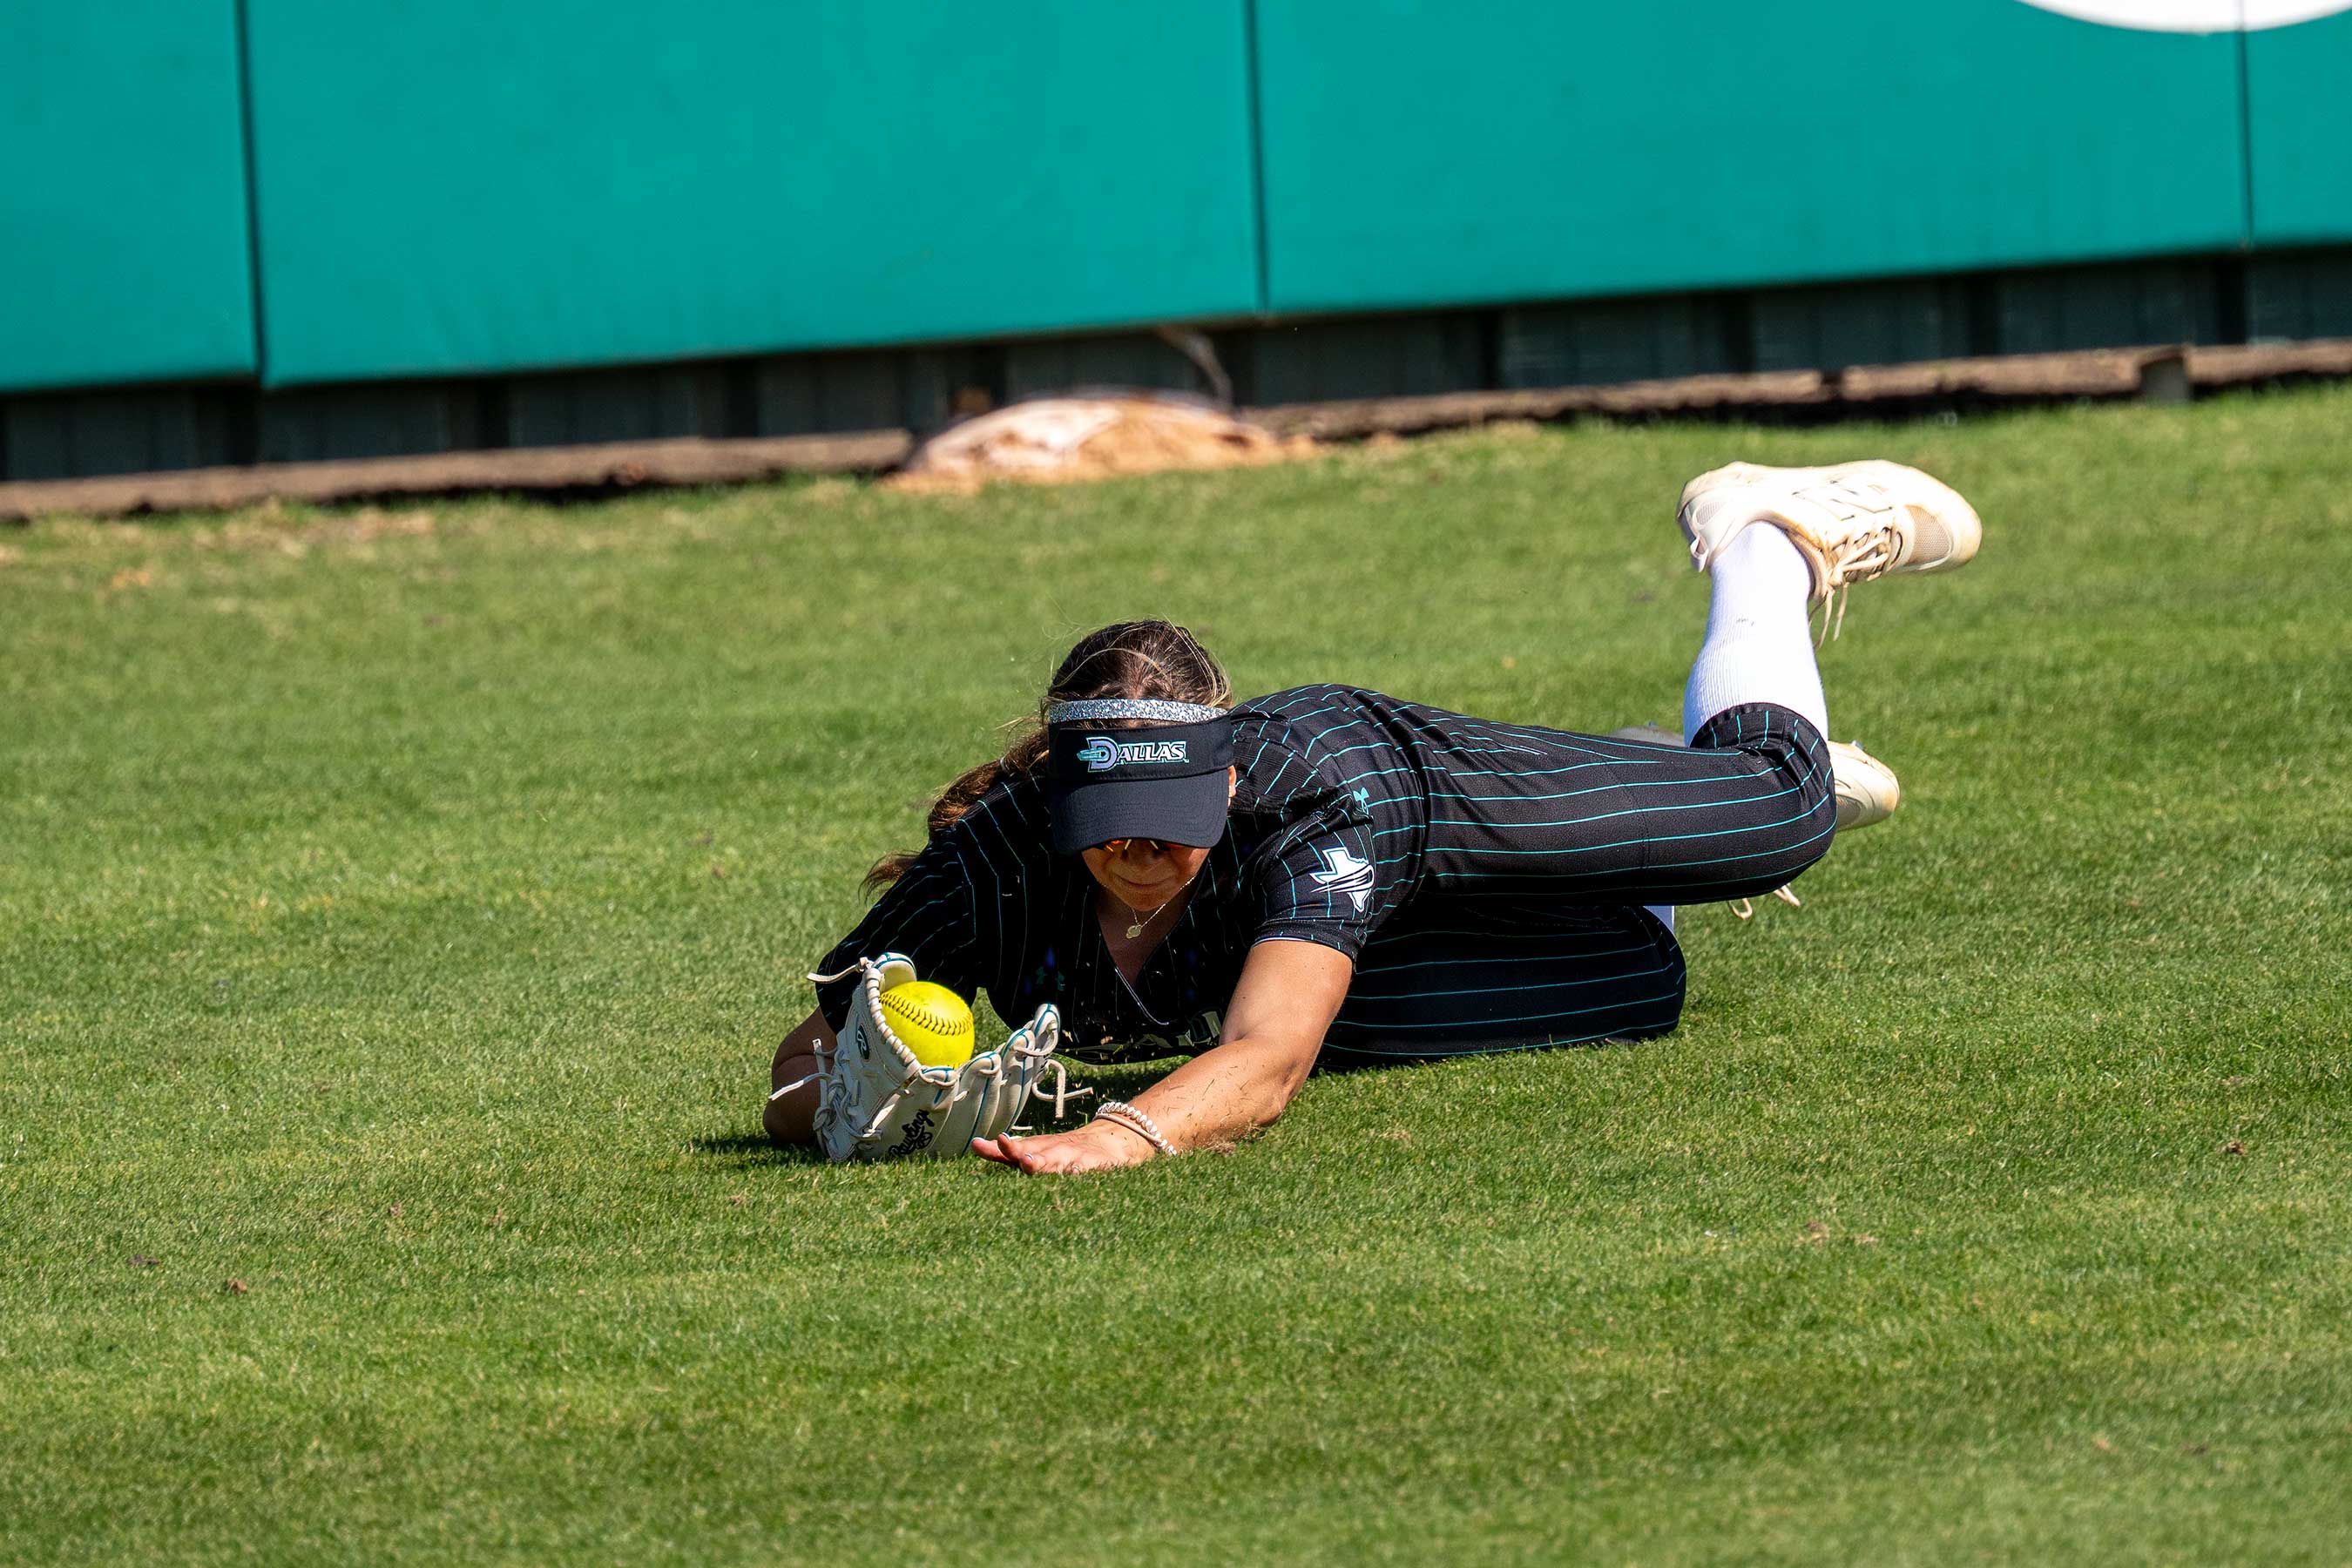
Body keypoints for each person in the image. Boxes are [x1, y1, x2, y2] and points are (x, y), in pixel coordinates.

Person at [766, 459, 1980, 1173]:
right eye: (1110, 817)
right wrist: (855, 1107)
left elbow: (1266, 1064)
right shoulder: (993, 860)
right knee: (1637, 987)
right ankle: (1643, 792)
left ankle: (1764, 538)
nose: (1139, 850)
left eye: (1169, 814)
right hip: (1357, 911)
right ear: (1060, 798)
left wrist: (1116, 1138)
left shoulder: (1312, 796)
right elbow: (803, 1058)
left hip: (1424, 801)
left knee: (1782, 815)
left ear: (1224, 781)